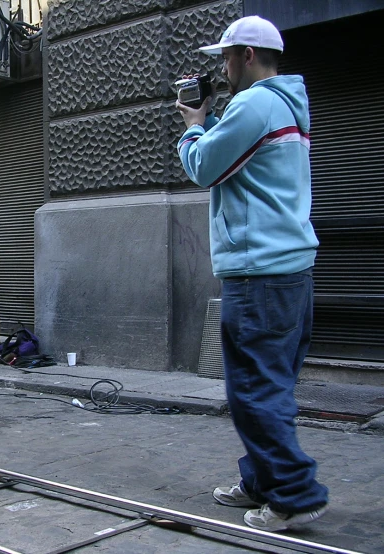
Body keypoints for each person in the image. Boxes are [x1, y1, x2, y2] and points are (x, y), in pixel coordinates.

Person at [175, 16, 328, 531]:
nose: (221, 67)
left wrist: (194, 124)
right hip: (289, 272)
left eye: (225, 57)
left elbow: (203, 167)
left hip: (259, 275)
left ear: (245, 55)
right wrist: (215, 121)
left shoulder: (255, 103)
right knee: (269, 386)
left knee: (253, 392)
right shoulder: (287, 104)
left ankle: (293, 493)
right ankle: (261, 481)